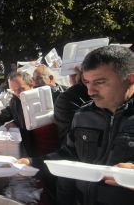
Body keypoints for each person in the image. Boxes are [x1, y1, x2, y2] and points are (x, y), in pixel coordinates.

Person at [18, 45, 134, 205]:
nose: (90, 92)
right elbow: (69, 154)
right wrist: (33, 162)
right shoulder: (83, 115)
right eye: (87, 82)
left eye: (100, 82)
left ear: (130, 79)